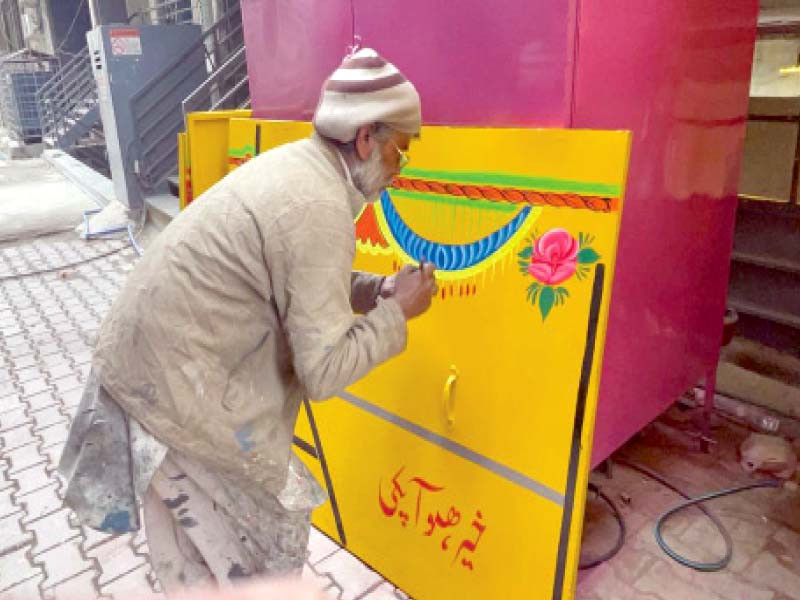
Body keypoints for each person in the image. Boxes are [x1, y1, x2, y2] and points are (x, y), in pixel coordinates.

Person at [58, 47, 436, 593]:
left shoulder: (303, 169)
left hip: (151, 369)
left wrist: (374, 290)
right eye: (401, 151)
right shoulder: (318, 205)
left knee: (198, 559)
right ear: (365, 139)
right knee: (256, 554)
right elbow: (324, 372)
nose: (400, 169)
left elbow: (294, 284)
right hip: (172, 393)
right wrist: (397, 313)